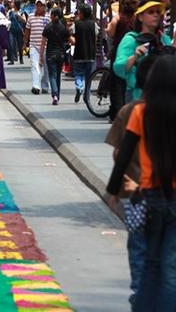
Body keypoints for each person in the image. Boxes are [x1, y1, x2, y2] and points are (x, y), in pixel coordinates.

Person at [107, 55, 176, 311]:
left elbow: (123, 154)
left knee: (150, 263)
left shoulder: (139, 112)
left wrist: (114, 189)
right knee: (170, 267)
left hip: (150, 195)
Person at [113, 0, 173, 102]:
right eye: (151, 12)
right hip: (137, 97)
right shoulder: (130, 39)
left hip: (163, 97)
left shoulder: (164, 39)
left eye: (158, 12)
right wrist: (135, 57)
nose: (156, 15)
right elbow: (119, 68)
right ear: (140, 17)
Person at [107, 0, 138, 121]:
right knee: (130, 83)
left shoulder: (118, 18)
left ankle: (117, 114)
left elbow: (110, 32)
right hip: (133, 52)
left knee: (116, 85)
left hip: (119, 53)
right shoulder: (137, 18)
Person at [40, 8, 70, 105]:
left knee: (52, 75)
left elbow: (43, 42)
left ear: (53, 16)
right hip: (60, 54)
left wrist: (40, 56)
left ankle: (55, 95)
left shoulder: (48, 27)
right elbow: (69, 40)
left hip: (50, 54)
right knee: (57, 76)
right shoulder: (63, 27)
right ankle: (58, 95)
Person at [71, 4, 98, 103]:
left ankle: (79, 87)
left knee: (78, 73)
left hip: (79, 53)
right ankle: (87, 95)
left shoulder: (76, 24)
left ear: (81, 13)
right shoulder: (93, 24)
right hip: (90, 54)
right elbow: (96, 35)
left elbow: (70, 33)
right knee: (89, 76)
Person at [24, 0, 50, 94]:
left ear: (44, 7)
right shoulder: (30, 17)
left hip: (46, 46)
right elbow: (27, 31)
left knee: (46, 68)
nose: (39, 7)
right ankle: (36, 86)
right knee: (34, 66)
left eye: (41, 5)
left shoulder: (48, 17)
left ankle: (45, 86)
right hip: (33, 45)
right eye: (37, 5)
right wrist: (25, 43)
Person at [8, 0, 26, 65]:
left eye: (13, 3)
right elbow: (8, 19)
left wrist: (19, 16)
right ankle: (12, 59)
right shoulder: (11, 12)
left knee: (19, 45)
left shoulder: (21, 12)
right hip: (12, 30)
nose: (12, 4)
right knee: (11, 44)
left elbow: (24, 20)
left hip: (19, 30)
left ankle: (21, 58)